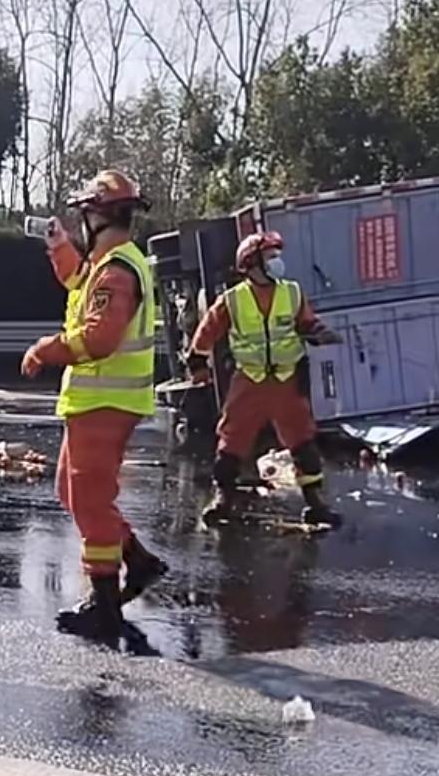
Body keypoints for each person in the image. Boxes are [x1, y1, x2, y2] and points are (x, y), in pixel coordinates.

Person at [20, 168, 167, 646]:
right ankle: (138, 561)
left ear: (97, 216)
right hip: (97, 399)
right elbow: (76, 280)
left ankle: (103, 606)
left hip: (107, 399)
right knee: (72, 491)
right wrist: (57, 242)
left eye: (82, 216)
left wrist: (46, 348)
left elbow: (100, 338)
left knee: (88, 500)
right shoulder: (108, 265)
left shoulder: (119, 271)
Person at [187, 228, 341, 530]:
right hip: (250, 382)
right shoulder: (232, 301)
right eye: (271, 257)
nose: (277, 262)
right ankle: (223, 500)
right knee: (232, 441)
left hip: (287, 380)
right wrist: (197, 364)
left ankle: (316, 503)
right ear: (252, 263)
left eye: (276, 256)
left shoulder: (291, 292)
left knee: (302, 440)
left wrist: (320, 333)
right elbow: (207, 332)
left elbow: (307, 322)